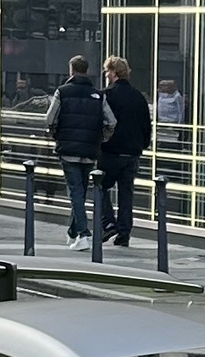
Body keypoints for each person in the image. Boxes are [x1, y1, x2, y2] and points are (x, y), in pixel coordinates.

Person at [46, 56, 107, 244]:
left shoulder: (62, 92)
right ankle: (73, 232)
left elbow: (49, 118)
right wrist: (101, 139)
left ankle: (83, 233)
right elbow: (111, 121)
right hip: (90, 150)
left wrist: (55, 134)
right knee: (79, 191)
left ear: (71, 70)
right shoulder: (98, 94)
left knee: (75, 192)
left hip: (68, 149)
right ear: (87, 71)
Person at [99, 53, 152, 249]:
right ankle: (124, 233)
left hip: (110, 151)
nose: (106, 74)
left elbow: (102, 123)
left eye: (107, 71)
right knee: (126, 193)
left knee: (100, 186)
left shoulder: (107, 95)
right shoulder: (139, 97)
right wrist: (142, 145)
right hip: (132, 153)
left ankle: (108, 223)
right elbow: (147, 125)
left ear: (113, 72)